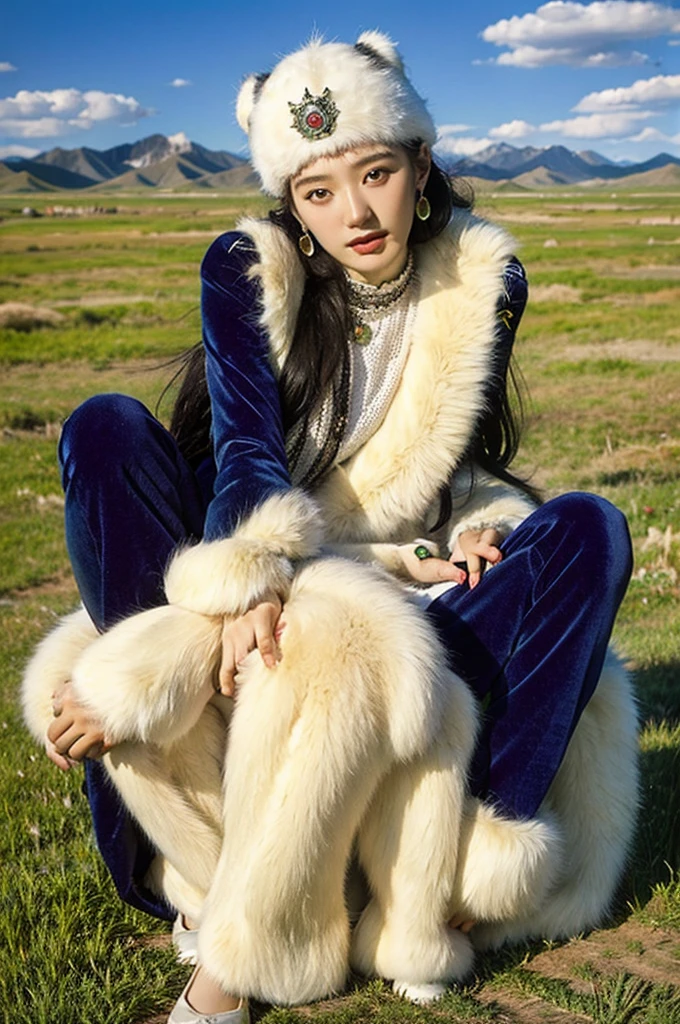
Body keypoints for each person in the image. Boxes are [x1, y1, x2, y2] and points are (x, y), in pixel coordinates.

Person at [22, 31, 638, 1024]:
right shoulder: (247, 274)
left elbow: (456, 459)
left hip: (386, 585)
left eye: (376, 173)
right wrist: (222, 607)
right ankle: (222, 863)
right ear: (291, 205)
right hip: (246, 603)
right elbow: (246, 458)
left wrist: (466, 530)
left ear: (418, 165)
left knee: (587, 530)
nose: (353, 211)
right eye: (317, 191)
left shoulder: (480, 286)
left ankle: (446, 880)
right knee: (105, 428)